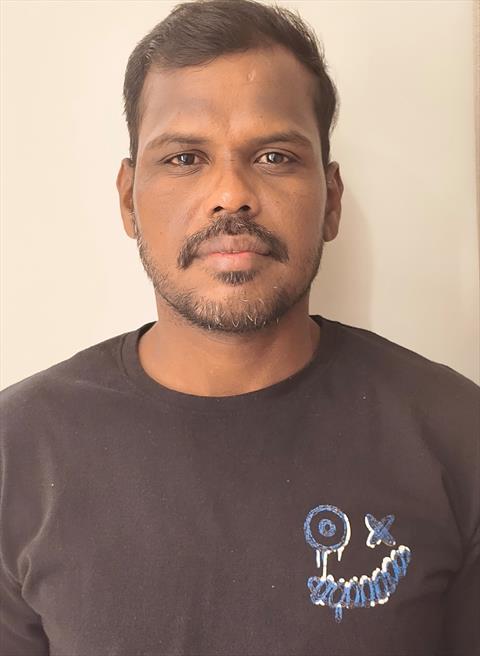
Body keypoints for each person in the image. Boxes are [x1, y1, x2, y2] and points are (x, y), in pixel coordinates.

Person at [1, 0, 478, 654]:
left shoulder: (458, 435)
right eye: (184, 158)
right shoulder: (19, 450)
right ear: (128, 199)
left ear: (331, 201)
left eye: (275, 156)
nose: (231, 194)